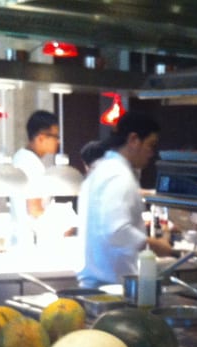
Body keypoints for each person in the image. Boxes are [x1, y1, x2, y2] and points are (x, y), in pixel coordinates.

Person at [76, 111, 174, 288]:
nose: (152, 153)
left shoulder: (102, 169)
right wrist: (155, 245)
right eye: (151, 145)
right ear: (134, 139)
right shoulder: (119, 176)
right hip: (111, 286)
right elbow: (116, 231)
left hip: (94, 283)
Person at [12, 110, 60, 221]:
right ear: (41, 138)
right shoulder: (32, 164)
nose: (58, 142)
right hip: (32, 230)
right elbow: (35, 209)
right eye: (56, 137)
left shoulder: (19, 156)